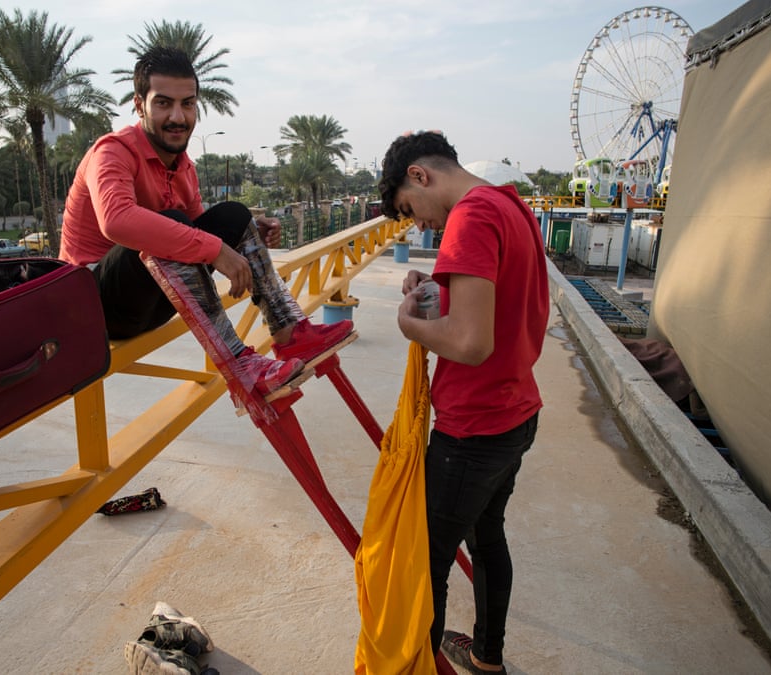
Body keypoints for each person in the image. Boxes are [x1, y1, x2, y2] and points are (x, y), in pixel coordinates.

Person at [60, 46, 352, 397]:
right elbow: (117, 220)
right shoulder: (112, 152)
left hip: (152, 301)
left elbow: (199, 227)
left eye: (187, 104)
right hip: (96, 309)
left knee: (233, 214)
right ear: (139, 105)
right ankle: (238, 364)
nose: (178, 117)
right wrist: (216, 250)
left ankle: (291, 334)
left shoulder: (184, 167)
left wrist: (244, 235)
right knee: (168, 225)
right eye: (163, 103)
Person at [378, 131, 548, 674]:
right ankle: (487, 656)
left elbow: (471, 344)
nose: (421, 225)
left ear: (420, 176)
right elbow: (497, 302)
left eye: (411, 209)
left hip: (472, 430)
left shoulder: (469, 218)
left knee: (426, 563)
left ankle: (421, 665)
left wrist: (410, 323)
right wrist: (438, 289)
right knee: (487, 534)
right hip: (516, 414)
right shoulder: (508, 205)